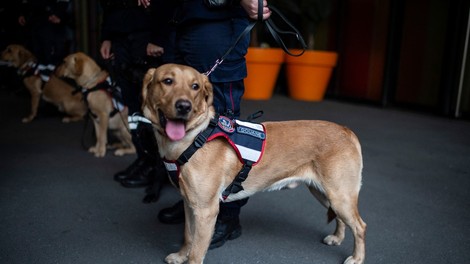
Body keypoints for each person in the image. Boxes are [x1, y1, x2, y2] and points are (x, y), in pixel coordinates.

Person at [139, 0, 271, 249]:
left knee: (224, 127)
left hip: (216, 24)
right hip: (178, 20)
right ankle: (196, 198)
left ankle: (227, 215)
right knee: (174, 103)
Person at [99, 0, 171, 199]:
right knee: (132, 105)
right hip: (120, 34)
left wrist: (159, 37)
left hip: (146, 32)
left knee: (152, 107)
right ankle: (144, 158)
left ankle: (160, 166)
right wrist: (107, 37)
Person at [18, 0, 73, 66]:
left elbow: (63, 3)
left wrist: (58, 14)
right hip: (33, 21)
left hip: (52, 21)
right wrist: (22, 13)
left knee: (52, 58)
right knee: (37, 54)